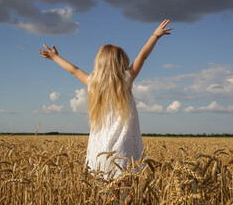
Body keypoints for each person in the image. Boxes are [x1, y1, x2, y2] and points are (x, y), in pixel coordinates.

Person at [39, 19, 172, 178]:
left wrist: (55, 58)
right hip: (124, 145)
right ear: (121, 63)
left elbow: (74, 70)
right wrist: (155, 36)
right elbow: (142, 57)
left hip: (99, 146)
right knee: (126, 185)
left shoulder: (92, 83)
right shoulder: (125, 80)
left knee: (102, 185)